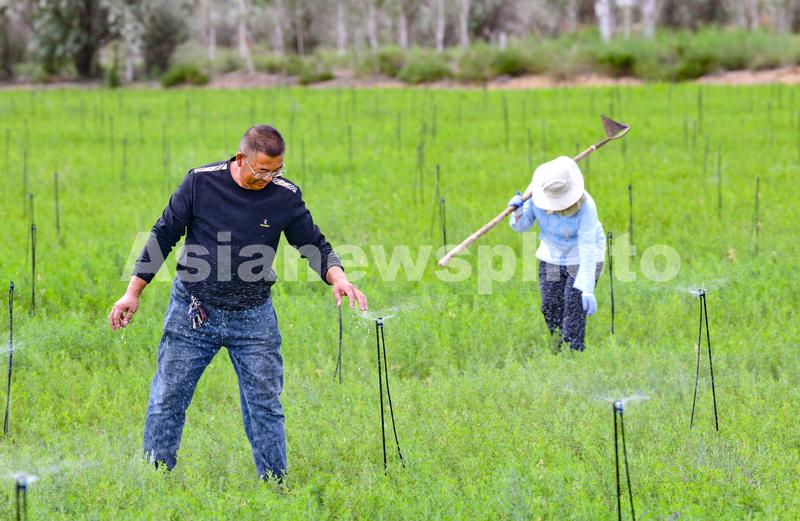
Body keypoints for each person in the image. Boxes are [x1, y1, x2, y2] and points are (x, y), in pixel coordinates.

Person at [108, 125, 367, 480]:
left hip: (253, 317)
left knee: (265, 404)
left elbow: (313, 243)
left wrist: (338, 278)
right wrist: (133, 292)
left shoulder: (285, 195)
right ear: (241, 158)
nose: (268, 178)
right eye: (262, 171)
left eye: (276, 171)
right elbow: (163, 234)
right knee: (168, 397)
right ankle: (156, 478)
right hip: (194, 311)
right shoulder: (200, 183)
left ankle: (275, 485)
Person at [508, 156, 605, 352]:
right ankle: (558, 346)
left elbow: (587, 247)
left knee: (573, 306)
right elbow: (522, 226)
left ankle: (574, 353)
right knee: (550, 305)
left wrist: (587, 289)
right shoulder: (535, 194)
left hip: (583, 256)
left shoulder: (587, 206)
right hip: (552, 255)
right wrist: (517, 212)